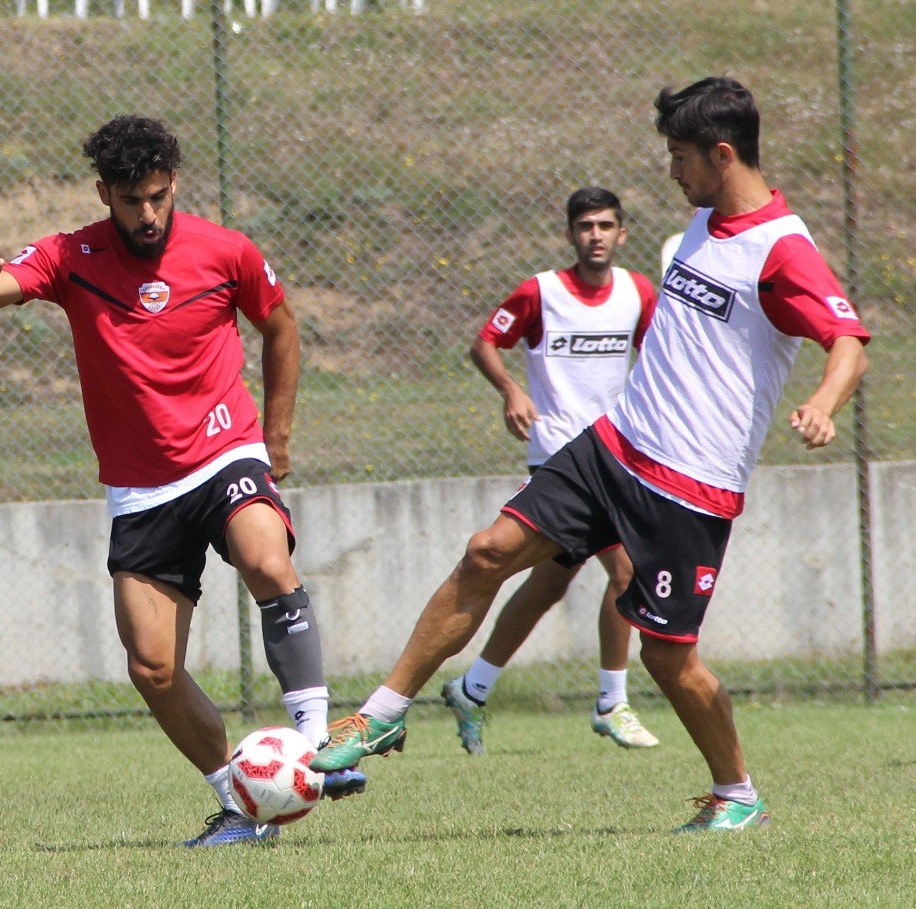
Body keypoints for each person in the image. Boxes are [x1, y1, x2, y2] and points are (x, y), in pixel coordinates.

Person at [310, 77, 871, 833]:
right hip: (613, 444)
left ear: (723, 153)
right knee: (487, 551)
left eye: (681, 157)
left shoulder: (782, 248)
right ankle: (382, 713)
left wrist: (822, 405)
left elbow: (848, 340)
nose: (672, 171)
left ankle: (737, 791)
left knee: (669, 659)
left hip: (689, 485)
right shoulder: (702, 219)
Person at [0, 115, 365, 847]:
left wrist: (278, 437)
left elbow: (282, 329)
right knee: (152, 665)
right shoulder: (70, 256)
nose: (148, 214)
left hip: (225, 451)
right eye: (133, 199)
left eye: (160, 196)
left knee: (267, 557)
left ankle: (316, 741)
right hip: (141, 488)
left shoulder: (225, 250)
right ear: (103, 191)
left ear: (175, 185)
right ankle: (243, 803)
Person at [441, 187, 660, 754]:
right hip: (559, 457)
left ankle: (473, 687)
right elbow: (486, 342)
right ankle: (612, 702)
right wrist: (512, 388)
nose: (596, 235)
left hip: (616, 454)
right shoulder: (540, 291)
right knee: (624, 571)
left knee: (548, 584)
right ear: (570, 234)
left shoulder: (638, 292)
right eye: (586, 225)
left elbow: (660, 358)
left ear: (622, 234)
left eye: (606, 225)